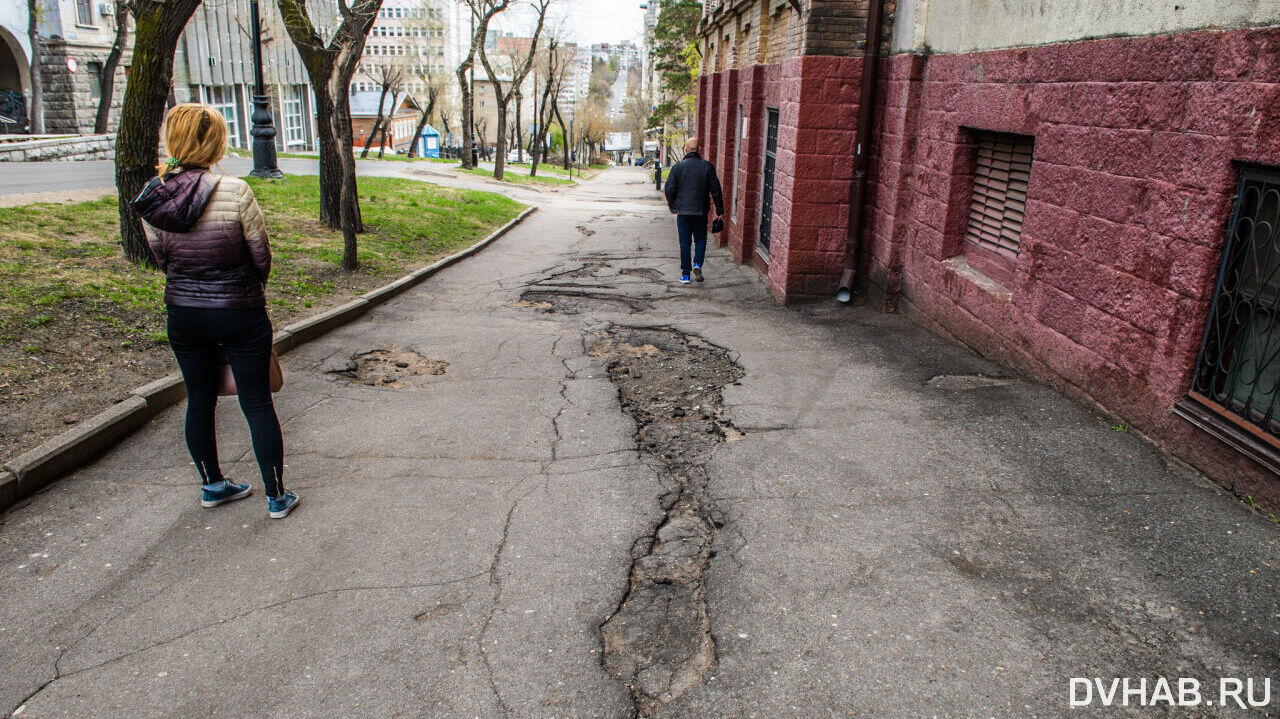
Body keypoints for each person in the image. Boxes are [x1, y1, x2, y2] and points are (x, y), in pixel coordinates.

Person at [133, 103, 299, 519]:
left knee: (199, 399)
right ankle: (276, 496)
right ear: (214, 142)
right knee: (257, 402)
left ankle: (212, 485)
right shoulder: (234, 191)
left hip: (184, 311)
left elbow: (161, 260)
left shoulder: (152, 198)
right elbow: (261, 256)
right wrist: (246, 287)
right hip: (239, 308)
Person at [663, 137, 725, 284]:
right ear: (699, 149)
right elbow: (716, 190)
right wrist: (720, 210)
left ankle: (685, 274)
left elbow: (669, 189)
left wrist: (672, 205)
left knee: (684, 243)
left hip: (683, 212)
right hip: (700, 211)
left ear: (686, 149)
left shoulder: (678, 167)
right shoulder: (707, 166)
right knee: (700, 239)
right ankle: (697, 264)